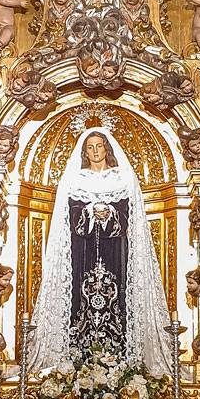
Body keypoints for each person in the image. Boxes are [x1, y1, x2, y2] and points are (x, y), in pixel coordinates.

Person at [27, 129, 173, 373]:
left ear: (107, 148)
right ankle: (78, 359)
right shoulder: (75, 180)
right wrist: (89, 214)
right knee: (79, 299)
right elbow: (71, 218)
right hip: (82, 251)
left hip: (114, 250)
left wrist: (110, 215)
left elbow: (129, 217)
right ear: (84, 152)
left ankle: (119, 359)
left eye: (99, 146)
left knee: (117, 297)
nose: (95, 151)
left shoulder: (123, 178)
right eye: (90, 147)